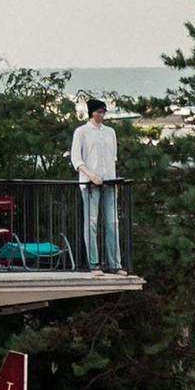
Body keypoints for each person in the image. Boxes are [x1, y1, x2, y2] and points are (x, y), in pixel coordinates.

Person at [70, 97, 120, 269]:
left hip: (109, 183)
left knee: (112, 222)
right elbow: (77, 159)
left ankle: (115, 264)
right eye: (99, 111)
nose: (102, 115)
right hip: (90, 185)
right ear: (92, 113)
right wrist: (91, 176)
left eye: (103, 111)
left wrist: (111, 178)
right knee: (91, 223)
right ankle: (94, 262)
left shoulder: (110, 132)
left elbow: (112, 158)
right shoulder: (82, 132)